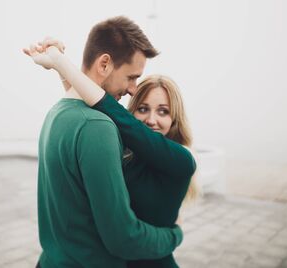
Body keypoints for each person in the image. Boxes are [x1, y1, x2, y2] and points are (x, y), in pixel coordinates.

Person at [24, 16, 186, 268]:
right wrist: (173, 235)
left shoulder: (57, 113)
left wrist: (60, 67)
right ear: (105, 64)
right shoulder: (97, 127)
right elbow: (123, 238)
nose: (133, 89)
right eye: (131, 77)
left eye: (163, 111)